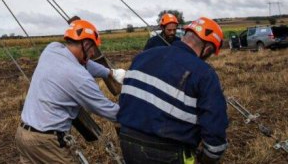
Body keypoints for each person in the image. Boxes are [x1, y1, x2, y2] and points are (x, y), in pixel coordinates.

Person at [117, 17, 228, 164]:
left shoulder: (142, 56)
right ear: (207, 49)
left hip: (127, 142)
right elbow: (214, 122)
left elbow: (125, 98)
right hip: (167, 152)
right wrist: (211, 156)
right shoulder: (204, 73)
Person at [15, 19, 125, 164]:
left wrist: (109, 72)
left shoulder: (52, 49)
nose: (93, 53)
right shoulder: (79, 78)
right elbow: (107, 110)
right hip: (46, 143)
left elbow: (85, 63)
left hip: (23, 135)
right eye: (93, 48)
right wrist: (136, 114)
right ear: (85, 44)